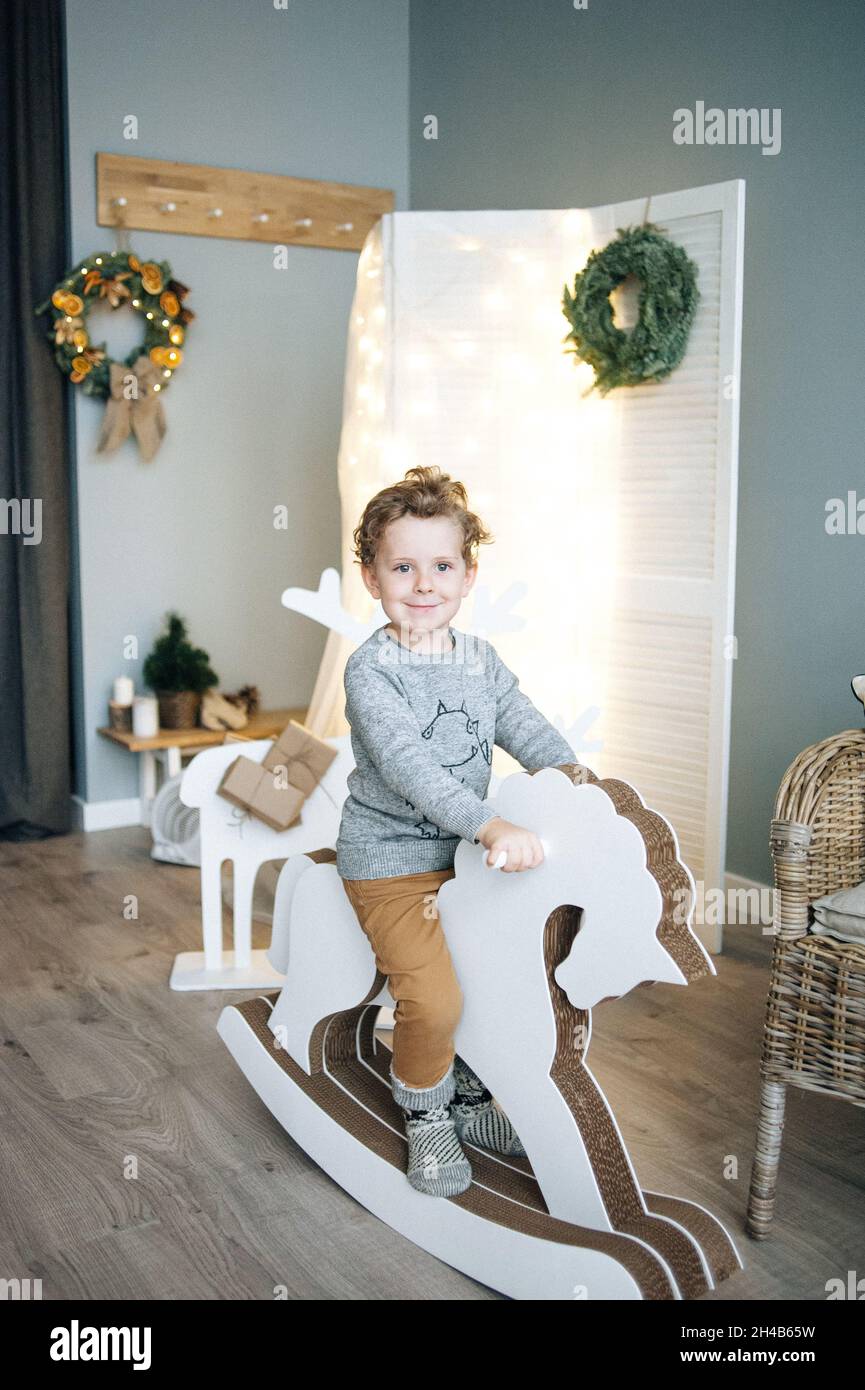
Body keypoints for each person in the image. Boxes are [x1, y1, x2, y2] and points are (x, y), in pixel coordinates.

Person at [336, 465, 582, 1197]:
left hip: (464, 860)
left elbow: (527, 728)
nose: (422, 584)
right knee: (436, 1000)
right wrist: (490, 824)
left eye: (440, 566)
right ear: (370, 576)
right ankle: (425, 1112)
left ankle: (470, 1093)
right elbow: (410, 768)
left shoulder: (481, 662)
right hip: (390, 862)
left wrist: (577, 786)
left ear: (467, 575)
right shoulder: (371, 671)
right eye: (401, 566)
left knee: (491, 980)